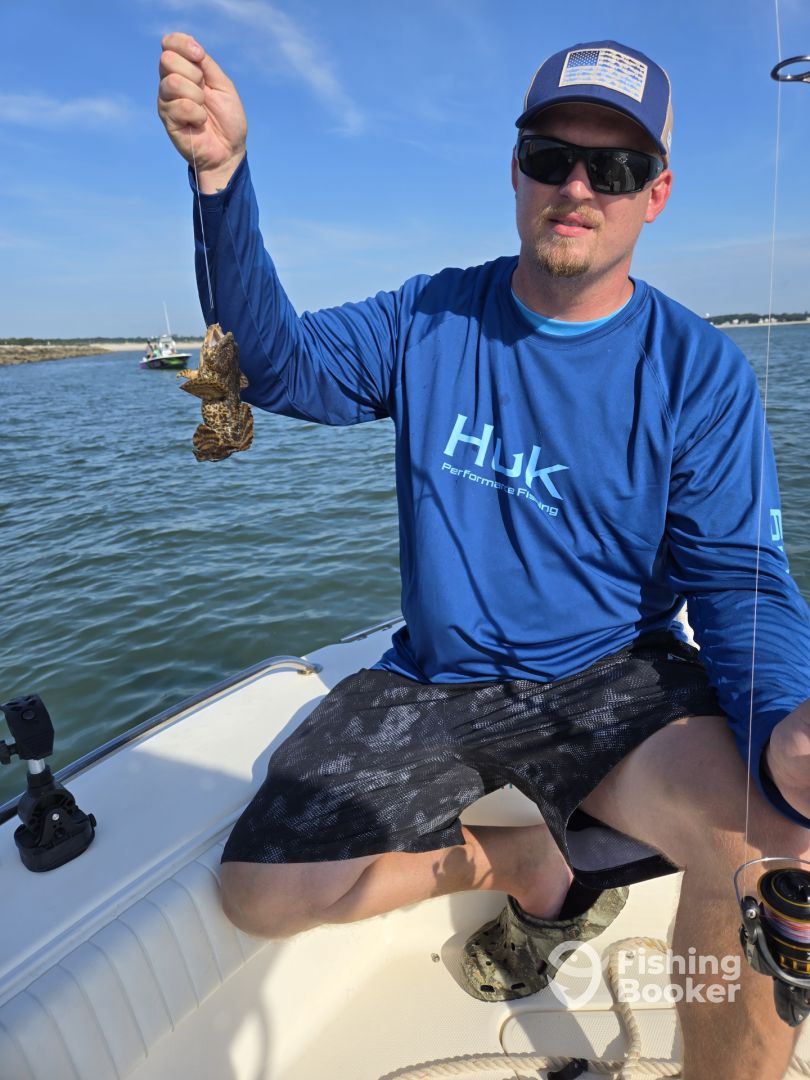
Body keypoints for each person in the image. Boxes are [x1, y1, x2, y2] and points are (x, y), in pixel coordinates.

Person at [158, 33, 810, 1078]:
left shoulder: (701, 372)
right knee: (261, 893)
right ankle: (520, 860)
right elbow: (274, 364)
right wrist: (221, 180)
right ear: (516, 169)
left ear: (657, 193)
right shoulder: (429, 317)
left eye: (617, 167)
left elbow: (739, 584)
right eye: (552, 156)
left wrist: (782, 723)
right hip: (439, 679)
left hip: (613, 675)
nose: (578, 186)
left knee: (775, 852)